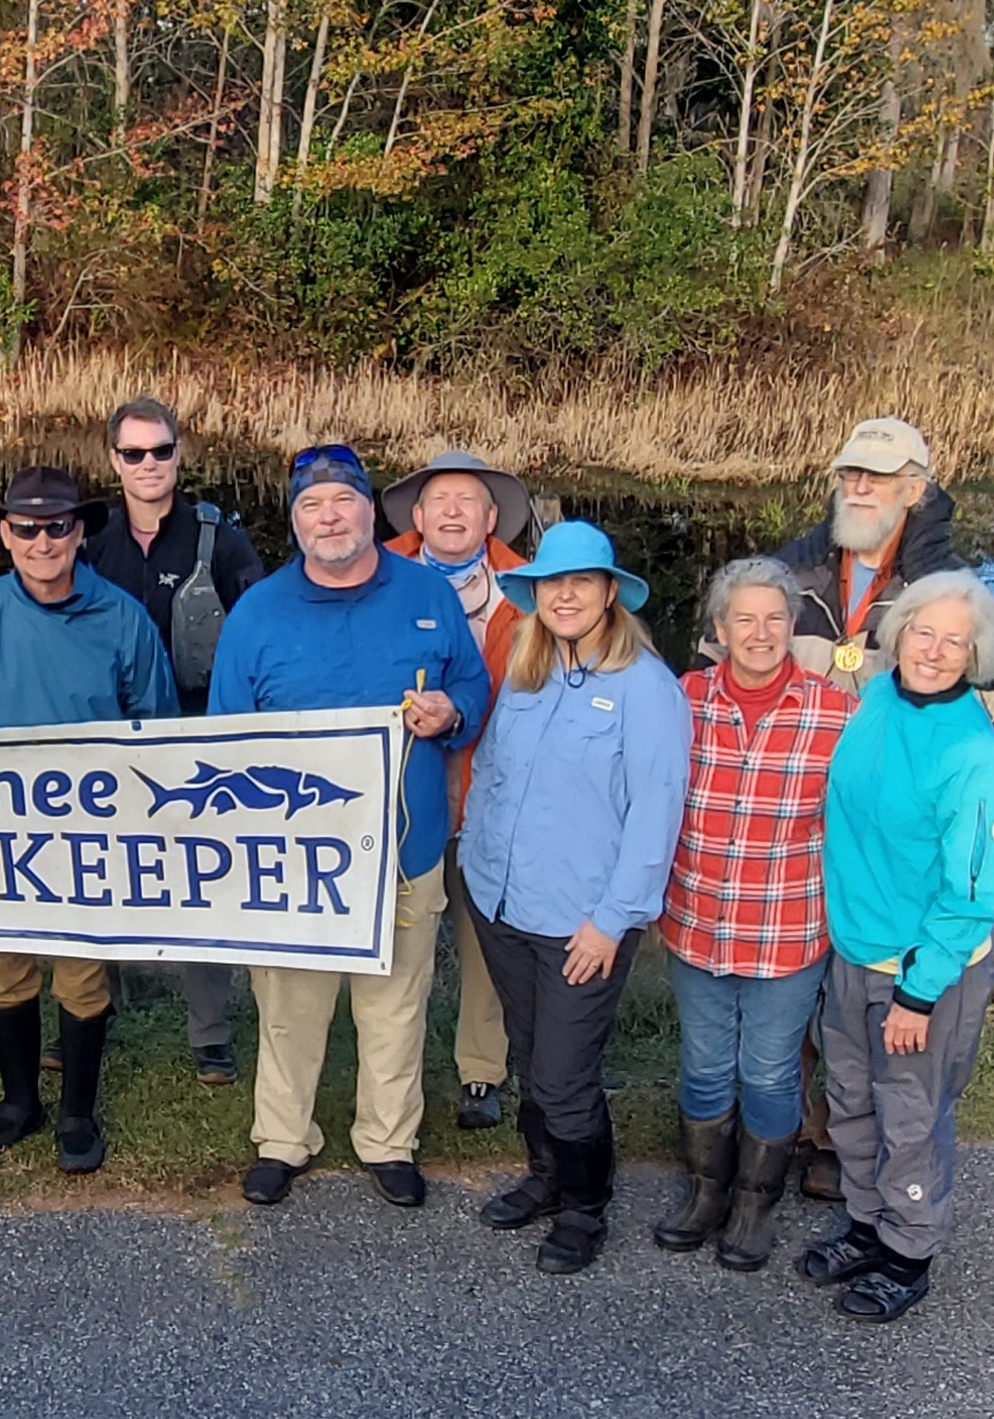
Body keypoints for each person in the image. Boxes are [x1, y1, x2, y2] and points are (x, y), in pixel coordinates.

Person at [208, 445, 489, 1210]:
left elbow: (471, 678)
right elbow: (224, 733)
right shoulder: (258, 611)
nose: (328, 517)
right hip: (294, 857)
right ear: (294, 521)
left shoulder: (427, 594)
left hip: (404, 843)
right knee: (290, 1006)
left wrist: (451, 710)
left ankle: (388, 1139)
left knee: (394, 1003)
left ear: (371, 512)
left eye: (341, 503)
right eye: (311, 507)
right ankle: (282, 1138)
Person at [756, 416, 994, 1203]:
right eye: (849, 475)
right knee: (802, 997)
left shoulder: (946, 592)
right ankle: (790, 1125)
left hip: (889, 848)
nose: (858, 488)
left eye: (877, 476)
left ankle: (850, 1160)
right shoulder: (787, 575)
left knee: (887, 1054)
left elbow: (978, 727)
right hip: (799, 833)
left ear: (915, 489)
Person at [0, 466, 175, 1172]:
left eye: (56, 526)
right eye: (25, 527)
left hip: (88, 834)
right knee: (2, 974)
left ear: (79, 529)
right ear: (4, 533)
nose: (41, 540)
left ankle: (77, 1113)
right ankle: (17, 1101)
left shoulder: (121, 616)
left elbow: (152, 725)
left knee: (82, 976)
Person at [461, 522, 692, 1275]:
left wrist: (611, 921)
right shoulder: (524, 674)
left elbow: (655, 816)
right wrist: (473, 864)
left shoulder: (646, 688)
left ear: (607, 594)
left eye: (580, 582)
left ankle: (587, 1206)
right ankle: (545, 1177)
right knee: (531, 1057)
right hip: (501, 903)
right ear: (533, 597)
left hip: (580, 922)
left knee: (564, 1074)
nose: (563, 594)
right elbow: (492, 778)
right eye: (550, 583)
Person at [800, 570, 994, 1322]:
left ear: (974, 652)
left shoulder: (973, 753)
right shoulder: (874, 700)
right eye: (924, 630)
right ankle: (864, 1223)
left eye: (955, 640)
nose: (934, 649)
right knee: (849, 1099)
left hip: (924, 971)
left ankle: (908, 1250)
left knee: (909, 1114)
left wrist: (919, 990)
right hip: (852, 950)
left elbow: (973, 889)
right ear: (900, 631)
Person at [652, 557, 857, 1271]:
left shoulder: (836, 712)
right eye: (744, 617)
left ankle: (754, 1202)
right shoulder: (683, 698)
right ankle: (707, 1191)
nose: (760, 632)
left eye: (774, 618)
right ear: (718, 628)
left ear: (792, 626)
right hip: (695, 919)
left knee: (768, 1072)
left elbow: (865, 815)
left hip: (786, 926)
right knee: (705, 1066)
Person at [77, 396, 264, 1086]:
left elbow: (257, 633)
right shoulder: (88, 540)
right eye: (132, 453)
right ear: (112, 460)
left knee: (201, 880)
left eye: (159, 451)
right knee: (94, 874)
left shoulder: (221, 537)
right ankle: (89, 1013)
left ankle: (208, 1031)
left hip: (195, 733)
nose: (147, 464)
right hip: (109, 738)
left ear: (179, 454)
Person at [380, 450, 537, 1132]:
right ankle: (392, 1070)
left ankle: (482, 1070)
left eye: (465, 499)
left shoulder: (529, 588)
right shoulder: (374, 574)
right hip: (400, 785)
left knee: (486, 937)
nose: (450, 510)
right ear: (415, 517)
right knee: (393, 933)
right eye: (437, 499)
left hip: (495, 785)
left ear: (490, 517)